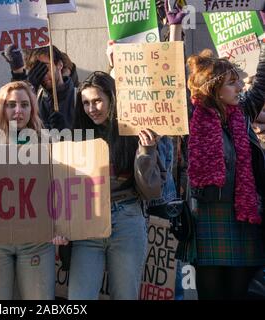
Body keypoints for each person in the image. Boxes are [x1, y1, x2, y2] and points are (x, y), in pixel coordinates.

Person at [67, 71, 166, 300]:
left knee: (124, 295)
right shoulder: (76, 135)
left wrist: (147, 151)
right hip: (87, 222)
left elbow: (151, 190)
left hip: (126, 218)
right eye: (85, 103)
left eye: (97, 100)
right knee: (78, 298)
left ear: (112, 98)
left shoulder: (134, 133)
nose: (92, 108)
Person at [0, 81, 67, 300]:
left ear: (32, 109)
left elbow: (60, 189)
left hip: (38, 243)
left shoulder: (49, 145)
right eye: (11, 104)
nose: (18, 111)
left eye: (25, 105)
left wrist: (63, 225)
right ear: (0, 108)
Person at [186, 44, 265, 299]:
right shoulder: (191, 118)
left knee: (238, 294)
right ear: (214, 89)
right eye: (232, 83)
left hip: (243, 216)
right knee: (211, 294)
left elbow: (261, 83)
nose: (240, 88)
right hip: (206, 217)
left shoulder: (241, 115)